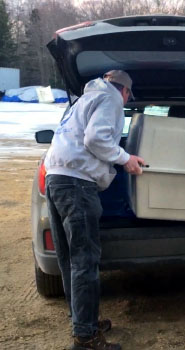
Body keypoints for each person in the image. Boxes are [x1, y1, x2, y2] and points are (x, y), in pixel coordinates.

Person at [45, 70, 145, 350]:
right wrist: (125, 158)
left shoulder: (83, 100)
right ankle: (86, 339)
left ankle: (82, 321)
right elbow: (96, 140)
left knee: (69, 259)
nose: (124, 104)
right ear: (125, 92)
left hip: (57, 178)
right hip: (77, 184)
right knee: (85, 261)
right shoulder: (110, 98)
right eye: (127, 99)